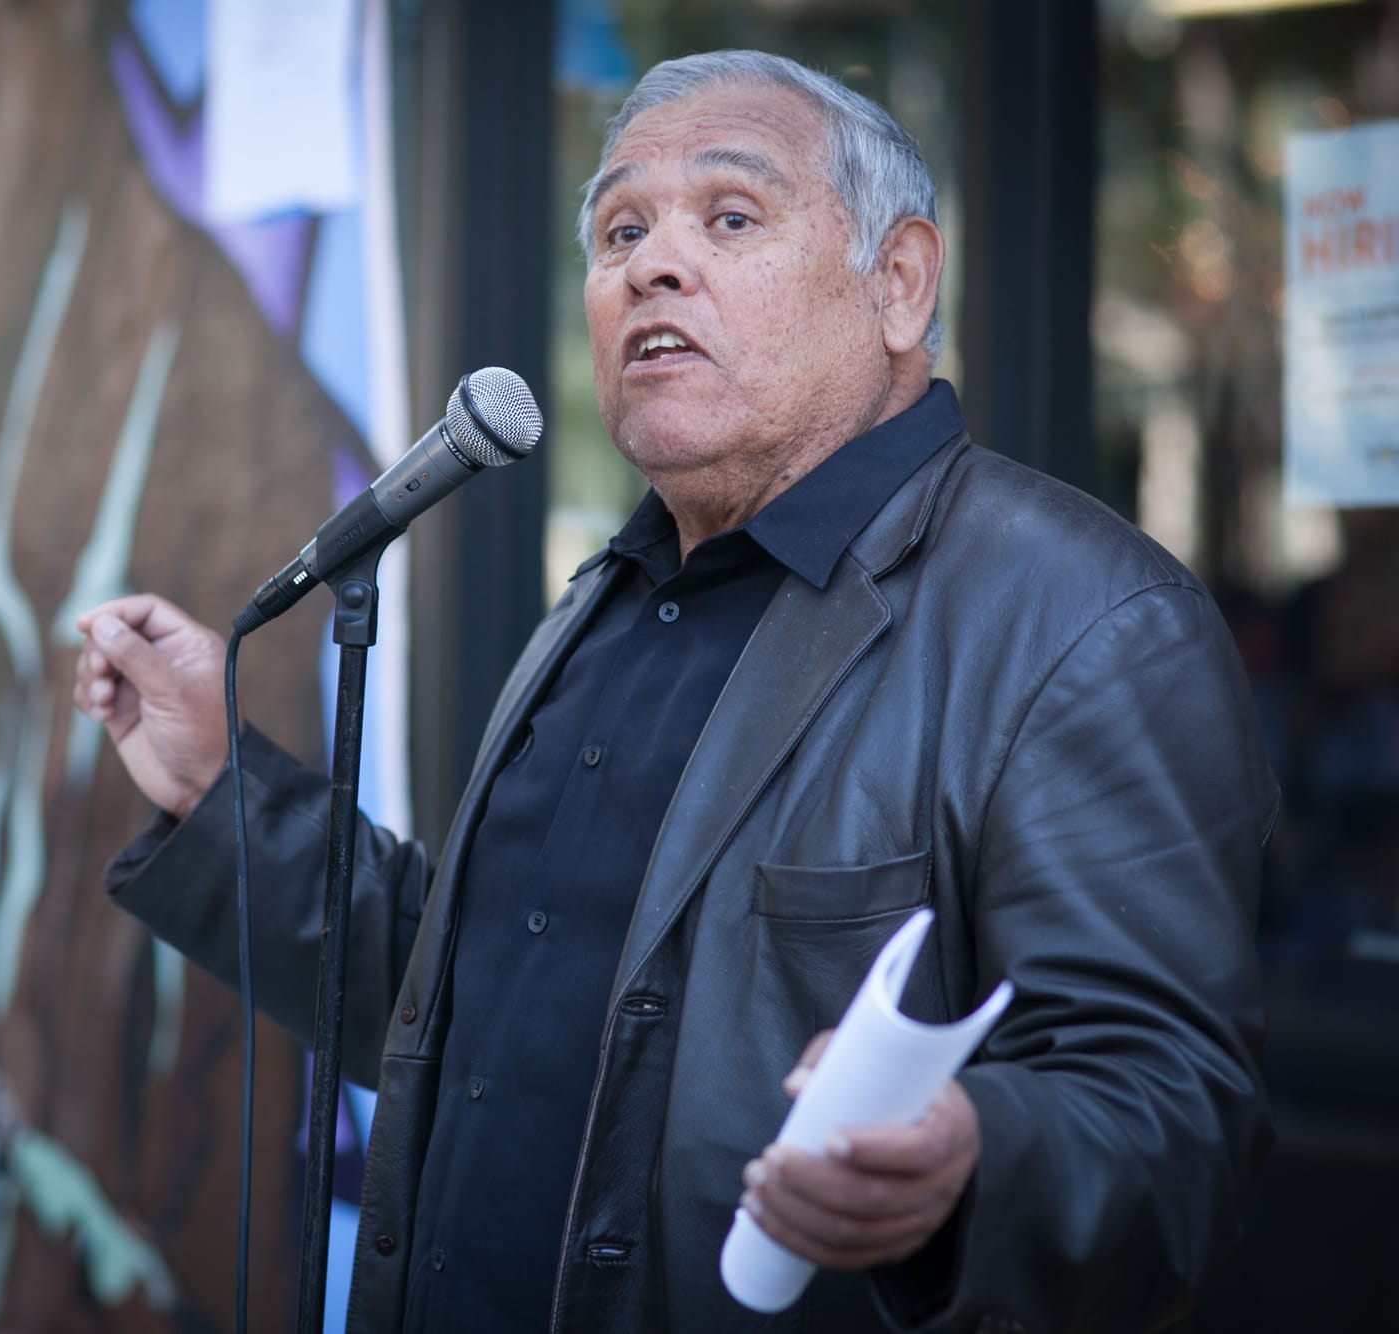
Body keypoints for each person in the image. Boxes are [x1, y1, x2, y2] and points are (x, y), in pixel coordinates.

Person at [71, 49, 1276, 1334]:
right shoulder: (608, 596)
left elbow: (1168, 1123)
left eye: (731, 216)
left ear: (899, 281)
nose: (650, 263)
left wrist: (968, 1155)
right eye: (618, 230)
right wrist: (214, 785)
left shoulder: (1079, 619)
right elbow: (469, 1011)